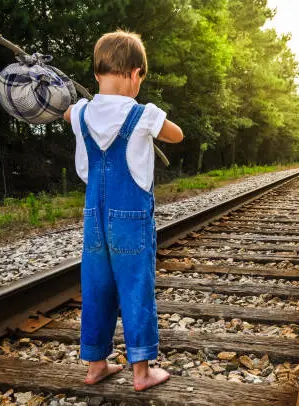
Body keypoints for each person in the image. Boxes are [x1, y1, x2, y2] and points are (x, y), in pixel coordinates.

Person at [63, 30, 183, 390]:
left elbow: (64, 109)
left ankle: (96, 364)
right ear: (135, 75)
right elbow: (176, 134)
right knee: (135, 287)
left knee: (96, 286)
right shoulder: (143, 114)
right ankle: (142, 372)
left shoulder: (81, 113)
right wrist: (152, 121)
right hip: (130, 220)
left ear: (97, 73)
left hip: (93, 220)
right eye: (139, 80)